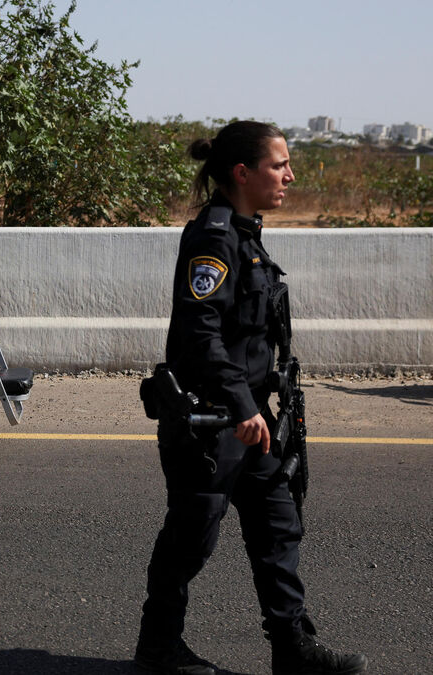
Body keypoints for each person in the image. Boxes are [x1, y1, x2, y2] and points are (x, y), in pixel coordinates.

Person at [134, 121, 366, 675]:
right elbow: (201, 333)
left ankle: (292, 648)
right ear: (243, 173)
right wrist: (241, 404)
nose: (290, 175)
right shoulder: (214, 237)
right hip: (213, 423)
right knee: (190, 540)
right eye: (279, 164)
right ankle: (157, 647)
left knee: (278, 525)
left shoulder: (245, 232)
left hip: (252, 419)